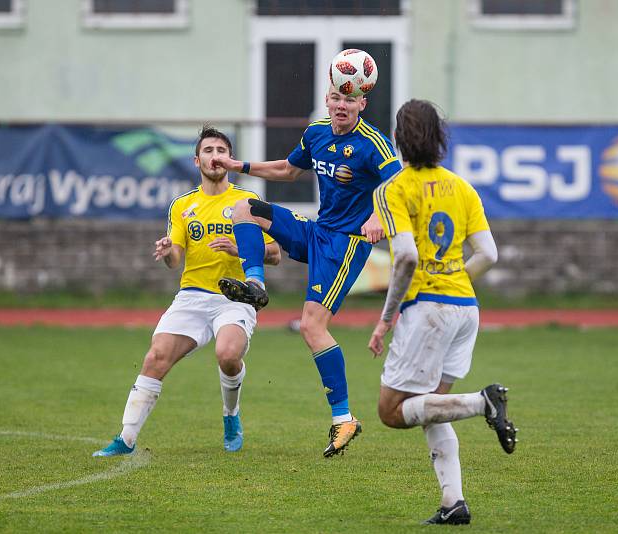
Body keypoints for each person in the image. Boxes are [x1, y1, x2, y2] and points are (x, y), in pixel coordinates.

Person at [211, 85, 402, 457]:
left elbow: (397, 186)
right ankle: (255, 283)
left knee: (313, 326)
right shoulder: (316, 132)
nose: (342, 106)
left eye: (350, 100)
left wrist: (379, 216)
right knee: (245, 209)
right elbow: (287, 170)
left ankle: (344, 418)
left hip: (345, 244)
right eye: (336, 98)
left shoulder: (373, 142)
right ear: (327, 100)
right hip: (316, 230)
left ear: (362, 104)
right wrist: (240, 166)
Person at [367, 99, 518, 525]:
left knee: (392, 412)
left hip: (428, 311)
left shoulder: (393, 188)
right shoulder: (462, 187)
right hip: (465, 308)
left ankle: (482, 402)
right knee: (430, 404)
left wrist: (385, 319)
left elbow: (406, 258)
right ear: (440, 137)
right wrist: (456, 279)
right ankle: (454, 503)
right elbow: (488, 253)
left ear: (399, 139)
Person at [93, 126, 281, 457]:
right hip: (192, 296)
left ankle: (231, 416)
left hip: (236, 297)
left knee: (227, 354)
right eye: (208, 151)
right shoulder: (183, 205)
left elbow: (276, 253)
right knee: (155, 357)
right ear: (197, 160)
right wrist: (168, 251)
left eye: (221, 150)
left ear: (230, 159)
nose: (215, 156)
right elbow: (175, 260)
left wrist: (240, 249)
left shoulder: (247, 202)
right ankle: (126, 438)